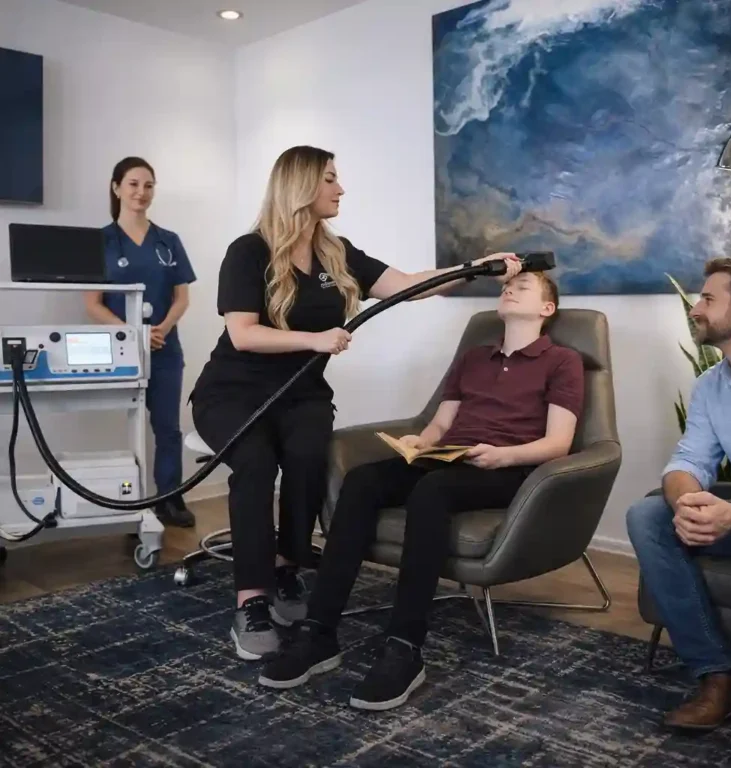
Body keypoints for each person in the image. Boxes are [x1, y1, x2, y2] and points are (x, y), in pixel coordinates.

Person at [190, 144, 520, 662]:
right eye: (329, 179)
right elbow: (245, 334)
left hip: (301, 394)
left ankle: (286, 568)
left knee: (307, 456)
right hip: (233, 392)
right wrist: (316, 339)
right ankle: (251, 599)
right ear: (300, 186)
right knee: (254, 463)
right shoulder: (248, 251)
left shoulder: (335, 252)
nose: (340, 189)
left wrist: (475, 267)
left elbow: (409, 287)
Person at [257, 267, 585, 711]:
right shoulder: (473, 357)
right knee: (362, 482)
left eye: (523, 287)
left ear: (547, 309)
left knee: (431, 491)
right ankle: (318, 631)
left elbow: (558, 442)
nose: (509, 288)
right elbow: (441, 423)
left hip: (506, 466)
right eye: (508, 284)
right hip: (449, 457)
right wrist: (419, 442)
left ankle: (405, 647)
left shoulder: (562, 361)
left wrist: (503, 455)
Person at [626, 257, 731, 756]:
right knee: (648, 515)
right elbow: (688, 459)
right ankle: (722, 676)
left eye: (708, 298)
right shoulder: (711, 385)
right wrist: (690, 504)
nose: (696, 307)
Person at [84, 157, 197, 528]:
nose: (141, 192)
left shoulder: (169, 241)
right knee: (122, 427)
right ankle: (124, 500)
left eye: (148, 185)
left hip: (164, 347)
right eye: (133, 184)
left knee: (167, 427)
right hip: (121, 349)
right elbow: (92, 304)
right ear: (116, 187)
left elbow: (182, 297)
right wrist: (133, 332)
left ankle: (169, 498)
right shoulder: (100, 241)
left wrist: (161, 327)